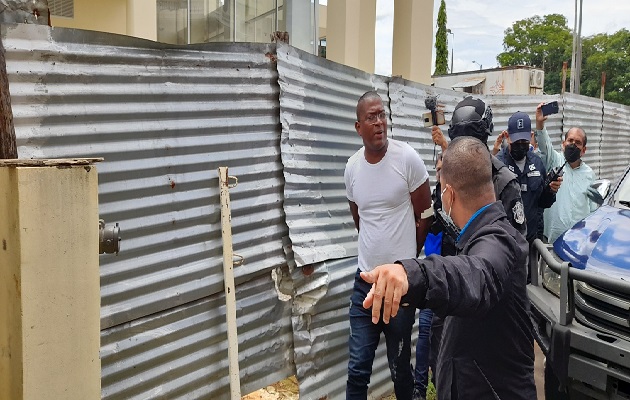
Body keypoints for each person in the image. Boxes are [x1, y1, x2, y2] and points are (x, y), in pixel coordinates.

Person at [361, 136, 537, 400]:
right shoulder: (473, 239)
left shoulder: (499, 241)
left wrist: (412, 274)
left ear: (449, 194)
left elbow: (476, 276)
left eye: (440, 190)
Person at [415, 96, 526, 397]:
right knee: (442, 365)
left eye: (472, 139)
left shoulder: (503, 183)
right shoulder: (449, 174)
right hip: (450, 281)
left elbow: (507, 254)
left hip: (485, 298)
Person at [344, 91, 432, 400]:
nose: (379, 122)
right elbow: (360, 217)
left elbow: (426, 215)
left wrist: (407, 263)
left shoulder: (406, 158)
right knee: (357, 370)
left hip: (400, 289)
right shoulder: (352, 168)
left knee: (400, 368)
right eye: (371, 117)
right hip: (365, 284)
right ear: (359, 127)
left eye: (382, 115)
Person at [534, 102, 600, 243]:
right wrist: (539, 123)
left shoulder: (589, 174)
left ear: (584, 150)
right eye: (570, 140)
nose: (573, 145)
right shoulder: (554, 160)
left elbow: (593, 207)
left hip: (578, 240)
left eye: (578, 142)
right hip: (551, 240)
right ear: (563, 144)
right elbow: (544, 145)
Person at [496, 111, 561, 244]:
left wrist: (551, 190)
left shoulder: (537, 163)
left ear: (531, 136)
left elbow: (543, 203)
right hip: (505, 243)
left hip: (532, 240)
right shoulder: (498, 165)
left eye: (524, 141)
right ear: (507, 137)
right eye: (517, 141)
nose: (520, 145)